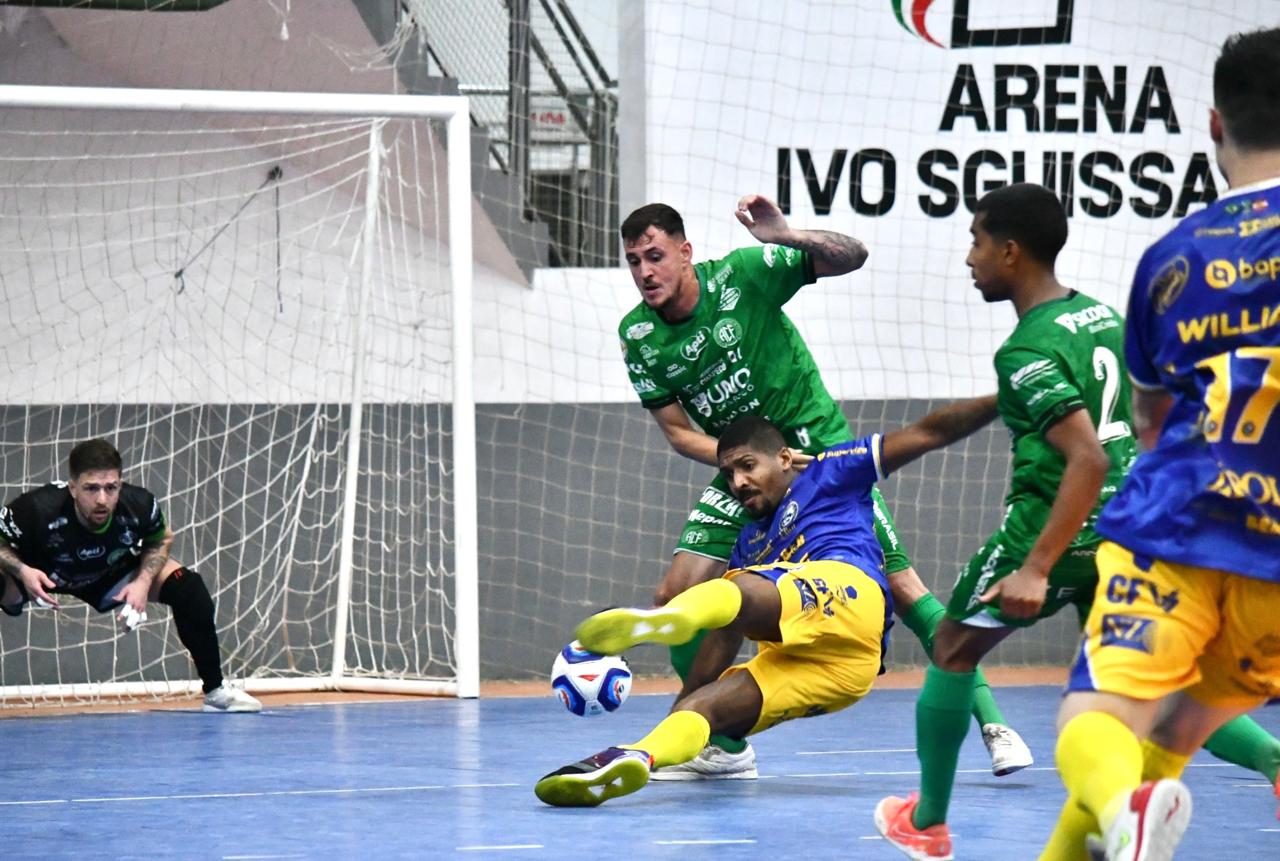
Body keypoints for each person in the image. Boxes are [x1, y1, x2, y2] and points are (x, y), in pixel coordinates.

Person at [617, 196, 1031, 780]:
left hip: (814, 452)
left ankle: (994, 724)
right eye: (633, 261)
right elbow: (679, 432)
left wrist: (787, 235)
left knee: (904, 587)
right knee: (678, 594)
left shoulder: (742, 275)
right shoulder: (637, 335)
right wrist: (746, 464)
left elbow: (852, 257)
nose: (645, 272)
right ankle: (722, 748)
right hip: (740, 465)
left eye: (654, 256)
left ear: (685, 253)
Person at [1045, 28, 1280, 860]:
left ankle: (1125, 809)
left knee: (1097, 717)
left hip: (1178, 523)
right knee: (1175, 735)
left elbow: (1147, 424)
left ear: (1215, 125)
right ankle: (1129, 813)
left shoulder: (1172, 258)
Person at [535, 401, 1003, 807]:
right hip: (838, 671)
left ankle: (664, 620)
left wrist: (1002, 399)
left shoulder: (831, 471)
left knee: (738, 589)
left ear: (783, 458)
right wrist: (687, 698)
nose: (737, 482)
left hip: (849, 594)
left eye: (747, 466)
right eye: (729, 474)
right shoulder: (749, 544)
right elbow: (725, 633)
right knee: (704, 712)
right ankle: (638, 754)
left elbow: (928, 432)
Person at [0, 438, 261, 712]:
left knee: (189, 588)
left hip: (109, 574)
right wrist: (22, 571)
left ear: (120, 485)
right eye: (91, 488)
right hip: (41, 574)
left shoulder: (139, 504)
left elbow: (160, 540)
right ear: (73, 487)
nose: (102, 499)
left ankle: (216, 691)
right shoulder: (35, 509)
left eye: (110, 488)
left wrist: (142, 582)